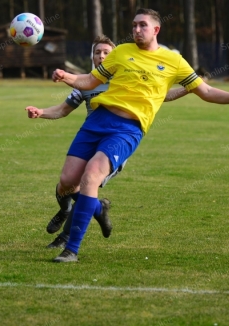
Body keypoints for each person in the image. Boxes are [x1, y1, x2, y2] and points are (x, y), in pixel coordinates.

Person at [48, 8, 229, 262]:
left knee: (92, 175)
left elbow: (205, 91)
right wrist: (66, 76)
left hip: (128, 129)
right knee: (68, 181)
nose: (136, 30)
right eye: (134, 26)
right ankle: (99, 208)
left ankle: (71, 250)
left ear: (156, 30)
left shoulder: (174, 61)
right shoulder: (121, 52)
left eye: (142, 26)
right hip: (97, 120)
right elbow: (90, 81)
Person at [25, 35, 188, 249]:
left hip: (114, 142)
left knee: (86, 184)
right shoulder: (86, 84)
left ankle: (65, 239)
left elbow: (162, 95)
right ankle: (94, 208)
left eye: (106, 53)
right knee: (66, 183)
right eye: (97, 52)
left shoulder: (126, 80)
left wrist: (188, 88)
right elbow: (63, 110)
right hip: (91, 136)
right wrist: (41, 112)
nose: (101, 56)